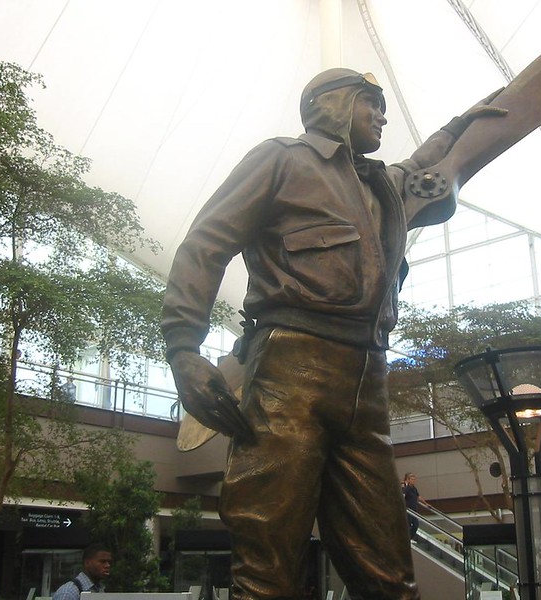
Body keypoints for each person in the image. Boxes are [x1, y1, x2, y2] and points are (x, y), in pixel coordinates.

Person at [161, 67, 507, 600]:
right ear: (337, 105)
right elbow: (205, 245)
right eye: (374, 104)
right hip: (290, 371)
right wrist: (185, 349)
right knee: (268, 557)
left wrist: (468, 121)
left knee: (389, 571)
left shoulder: (381, 186)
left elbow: (426, 159)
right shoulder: (280, 160)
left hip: (367, 380)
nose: (384, 117)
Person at [402, 473, 430, 541]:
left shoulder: (414, 488)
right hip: (409, 511)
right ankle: (407, 539)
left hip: (414, 510)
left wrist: (426, 503)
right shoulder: (406, 489)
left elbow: (418, 496)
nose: (413, 481)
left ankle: (410, 538)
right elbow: (402, 497)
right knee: (408, 525)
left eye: (414, 479)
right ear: (408, 480)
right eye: (412, 479)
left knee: (415, 525)